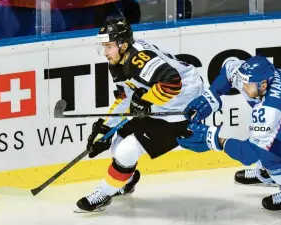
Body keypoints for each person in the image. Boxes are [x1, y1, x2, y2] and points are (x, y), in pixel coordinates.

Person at [74, 18, 204, 212]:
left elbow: (172, 82)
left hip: (182, 108)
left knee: (127, 150)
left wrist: (144, 101)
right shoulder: (117, 61)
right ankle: (126, 181)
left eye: (109, 46)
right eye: (104, 47)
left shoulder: (138, 59)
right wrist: (105, 128)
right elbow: (125, 98)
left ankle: (104, 193)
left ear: (123, 45)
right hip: (161, 103)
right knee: (118, 142)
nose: (105, 52)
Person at [177, 55, 281, 212]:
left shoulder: (270, 109)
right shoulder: (256, 79)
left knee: (269, 154)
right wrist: (211, 96)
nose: (242, 87)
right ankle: (268, 173)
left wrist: (214, 140)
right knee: (268, 140)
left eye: (247, 85)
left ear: (263, 85)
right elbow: (229, 70)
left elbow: (249, 154)